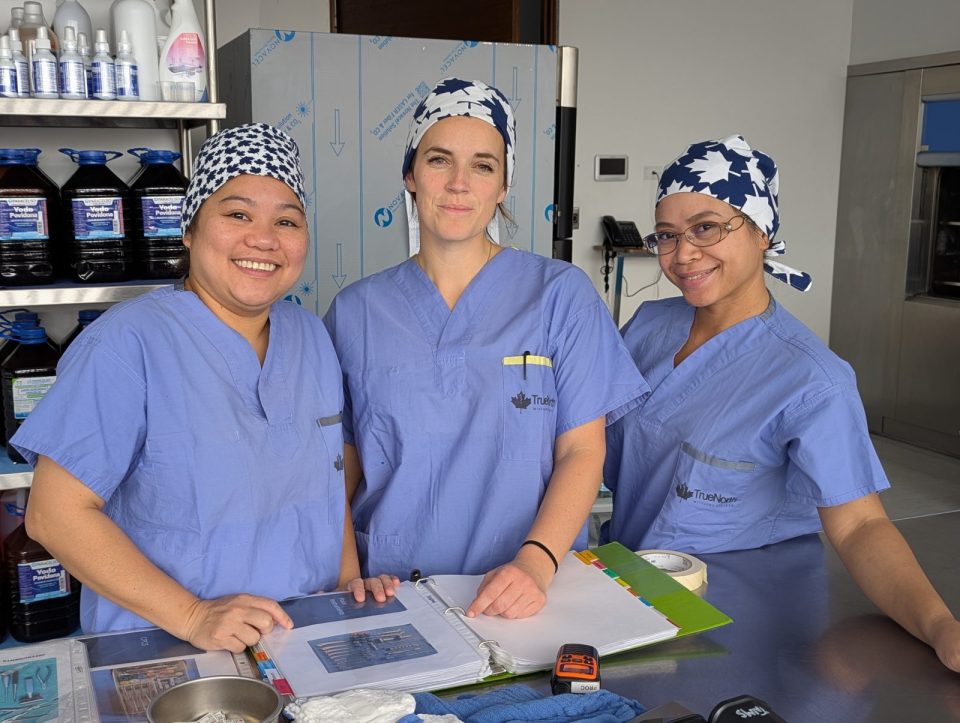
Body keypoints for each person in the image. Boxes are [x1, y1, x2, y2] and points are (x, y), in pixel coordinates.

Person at [13, 123, 392, 653]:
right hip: (167, 649)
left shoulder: (311, 336)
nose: (264, 239)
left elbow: (326, 492)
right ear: (189, 229)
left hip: (301, 640)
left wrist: (347, 586)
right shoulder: (126, 344)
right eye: (237, 214)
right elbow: (54, 516)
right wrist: (192, 616)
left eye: (286, 220)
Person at [602, 134, 960, 672]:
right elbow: (588, 439)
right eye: (668, 235)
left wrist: (939, 625)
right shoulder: (649, 325)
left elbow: (860, 526)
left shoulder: (811, 380)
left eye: (706, 227)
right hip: (628, 587)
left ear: (761, 231)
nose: (684, 254)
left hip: (735, 612)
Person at [324, 78, 647, 619]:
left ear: (503, 185)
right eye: (439, 160)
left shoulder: (559, 295)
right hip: (391, 591)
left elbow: (582, 451)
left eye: (482, 165)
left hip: (524, 591)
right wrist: (346, 577)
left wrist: (535, 562)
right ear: (410, 174)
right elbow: (341, 466)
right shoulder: (356, 311)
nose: (459, 184)